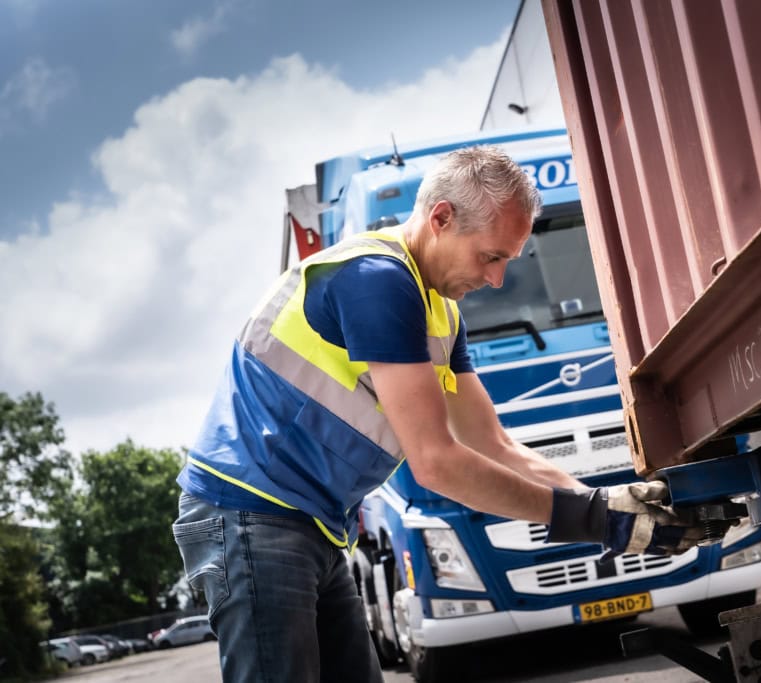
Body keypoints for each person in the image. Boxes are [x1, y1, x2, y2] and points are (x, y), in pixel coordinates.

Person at [171, 145, 700, 682]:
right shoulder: (375, 280)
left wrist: (602, 502)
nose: (496, 280)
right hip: (249, 514)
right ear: (441, 217)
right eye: (491, 257)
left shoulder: (440, 312)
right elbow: (436, 463)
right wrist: (593, 522)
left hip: (310, 523)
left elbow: (493, 444)